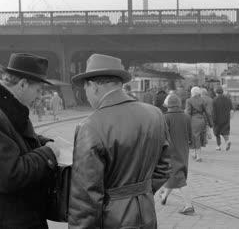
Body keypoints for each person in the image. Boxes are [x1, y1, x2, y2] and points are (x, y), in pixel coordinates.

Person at [69, 54, 171, 229]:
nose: (86, 96)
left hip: (111, 220)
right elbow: (164, 168)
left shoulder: (90, 126)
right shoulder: (155, 115)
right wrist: (139, 192)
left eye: (85, 90)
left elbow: (85, 197)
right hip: (147, 215)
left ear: (93, 87)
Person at [0, 53, 60, 229]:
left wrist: (43, 142)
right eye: (38, 90)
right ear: (23, 84)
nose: (40, 96)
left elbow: (16, 138)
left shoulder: (10, 108)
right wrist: (48, 154)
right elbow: (10, 174)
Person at [160, 94, 195, 215]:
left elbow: (162, 137)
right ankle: (164, 196)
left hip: (170, 152)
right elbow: (191, 136)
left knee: (178, 177)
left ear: (168, 105)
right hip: (184, 150)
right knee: (177, 174)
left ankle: (188, 205)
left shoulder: (165, 117)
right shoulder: (186, 117)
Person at [185, 86, 212, 162]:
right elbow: (208, 113)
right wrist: (210, 124)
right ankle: (198, 155)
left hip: (193, 120)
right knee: (200, 137)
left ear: (192, 93)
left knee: (194, 137)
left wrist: (186, 123)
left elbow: (188, 113)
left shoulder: (189, 101)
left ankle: (195, 155)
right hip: (202, 120)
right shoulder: (202, 100)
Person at [212, 86, 234, 151]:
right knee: (225, 131)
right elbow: (231, 109)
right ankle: (227, 141)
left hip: (217, 119)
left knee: (217, 133)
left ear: (216, 93)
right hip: (226, 118)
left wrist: (213, 120)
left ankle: (218, 146)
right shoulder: (228, 99)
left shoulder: (214, 100)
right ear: (222, 92)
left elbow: (213, 111)